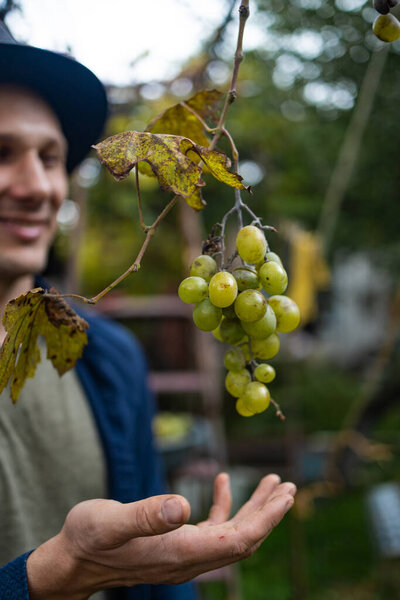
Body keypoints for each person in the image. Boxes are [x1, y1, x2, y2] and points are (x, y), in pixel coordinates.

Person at [0, 19, 297, 600]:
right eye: (1, 152)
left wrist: (168, 566)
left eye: (52, 156)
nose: (38, 185)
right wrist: (41, 582)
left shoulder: (107, 357)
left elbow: (152, 569)